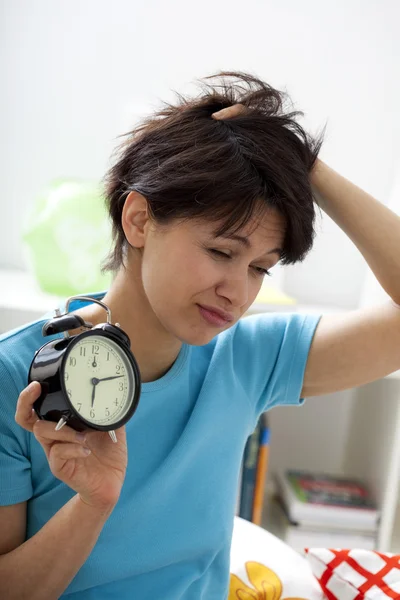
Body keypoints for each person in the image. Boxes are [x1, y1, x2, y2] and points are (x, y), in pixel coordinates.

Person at [1, 71, 399, 600]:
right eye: (221, 252)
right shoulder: (18, 376)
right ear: (139, 220)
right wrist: (93, 505)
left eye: (261, 268)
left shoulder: (247, 359)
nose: (236, 291)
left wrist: (303, 164)